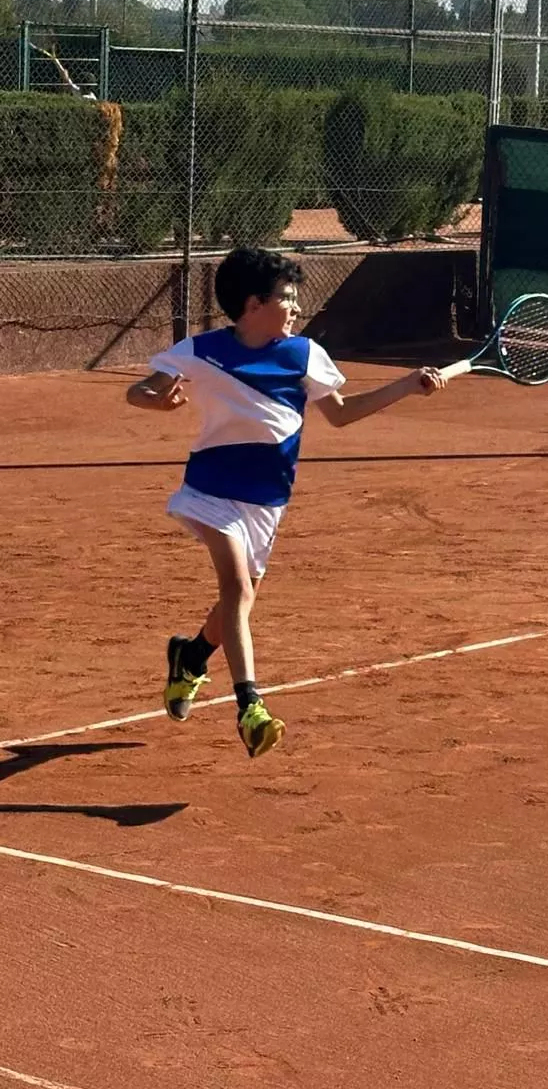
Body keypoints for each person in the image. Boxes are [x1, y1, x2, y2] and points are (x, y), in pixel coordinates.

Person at [126, 246, 447, 758]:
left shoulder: (304, 355)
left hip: (267, 501)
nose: (296, 308)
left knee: (242, 597)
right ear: (254, 304)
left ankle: (190, 655)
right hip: (210, 490)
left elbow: (341, 415)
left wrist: (406, 386)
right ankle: (250, 706)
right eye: (287, 298)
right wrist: (155, 399)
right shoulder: (200, 350)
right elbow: (140, 390)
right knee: (234, 588)